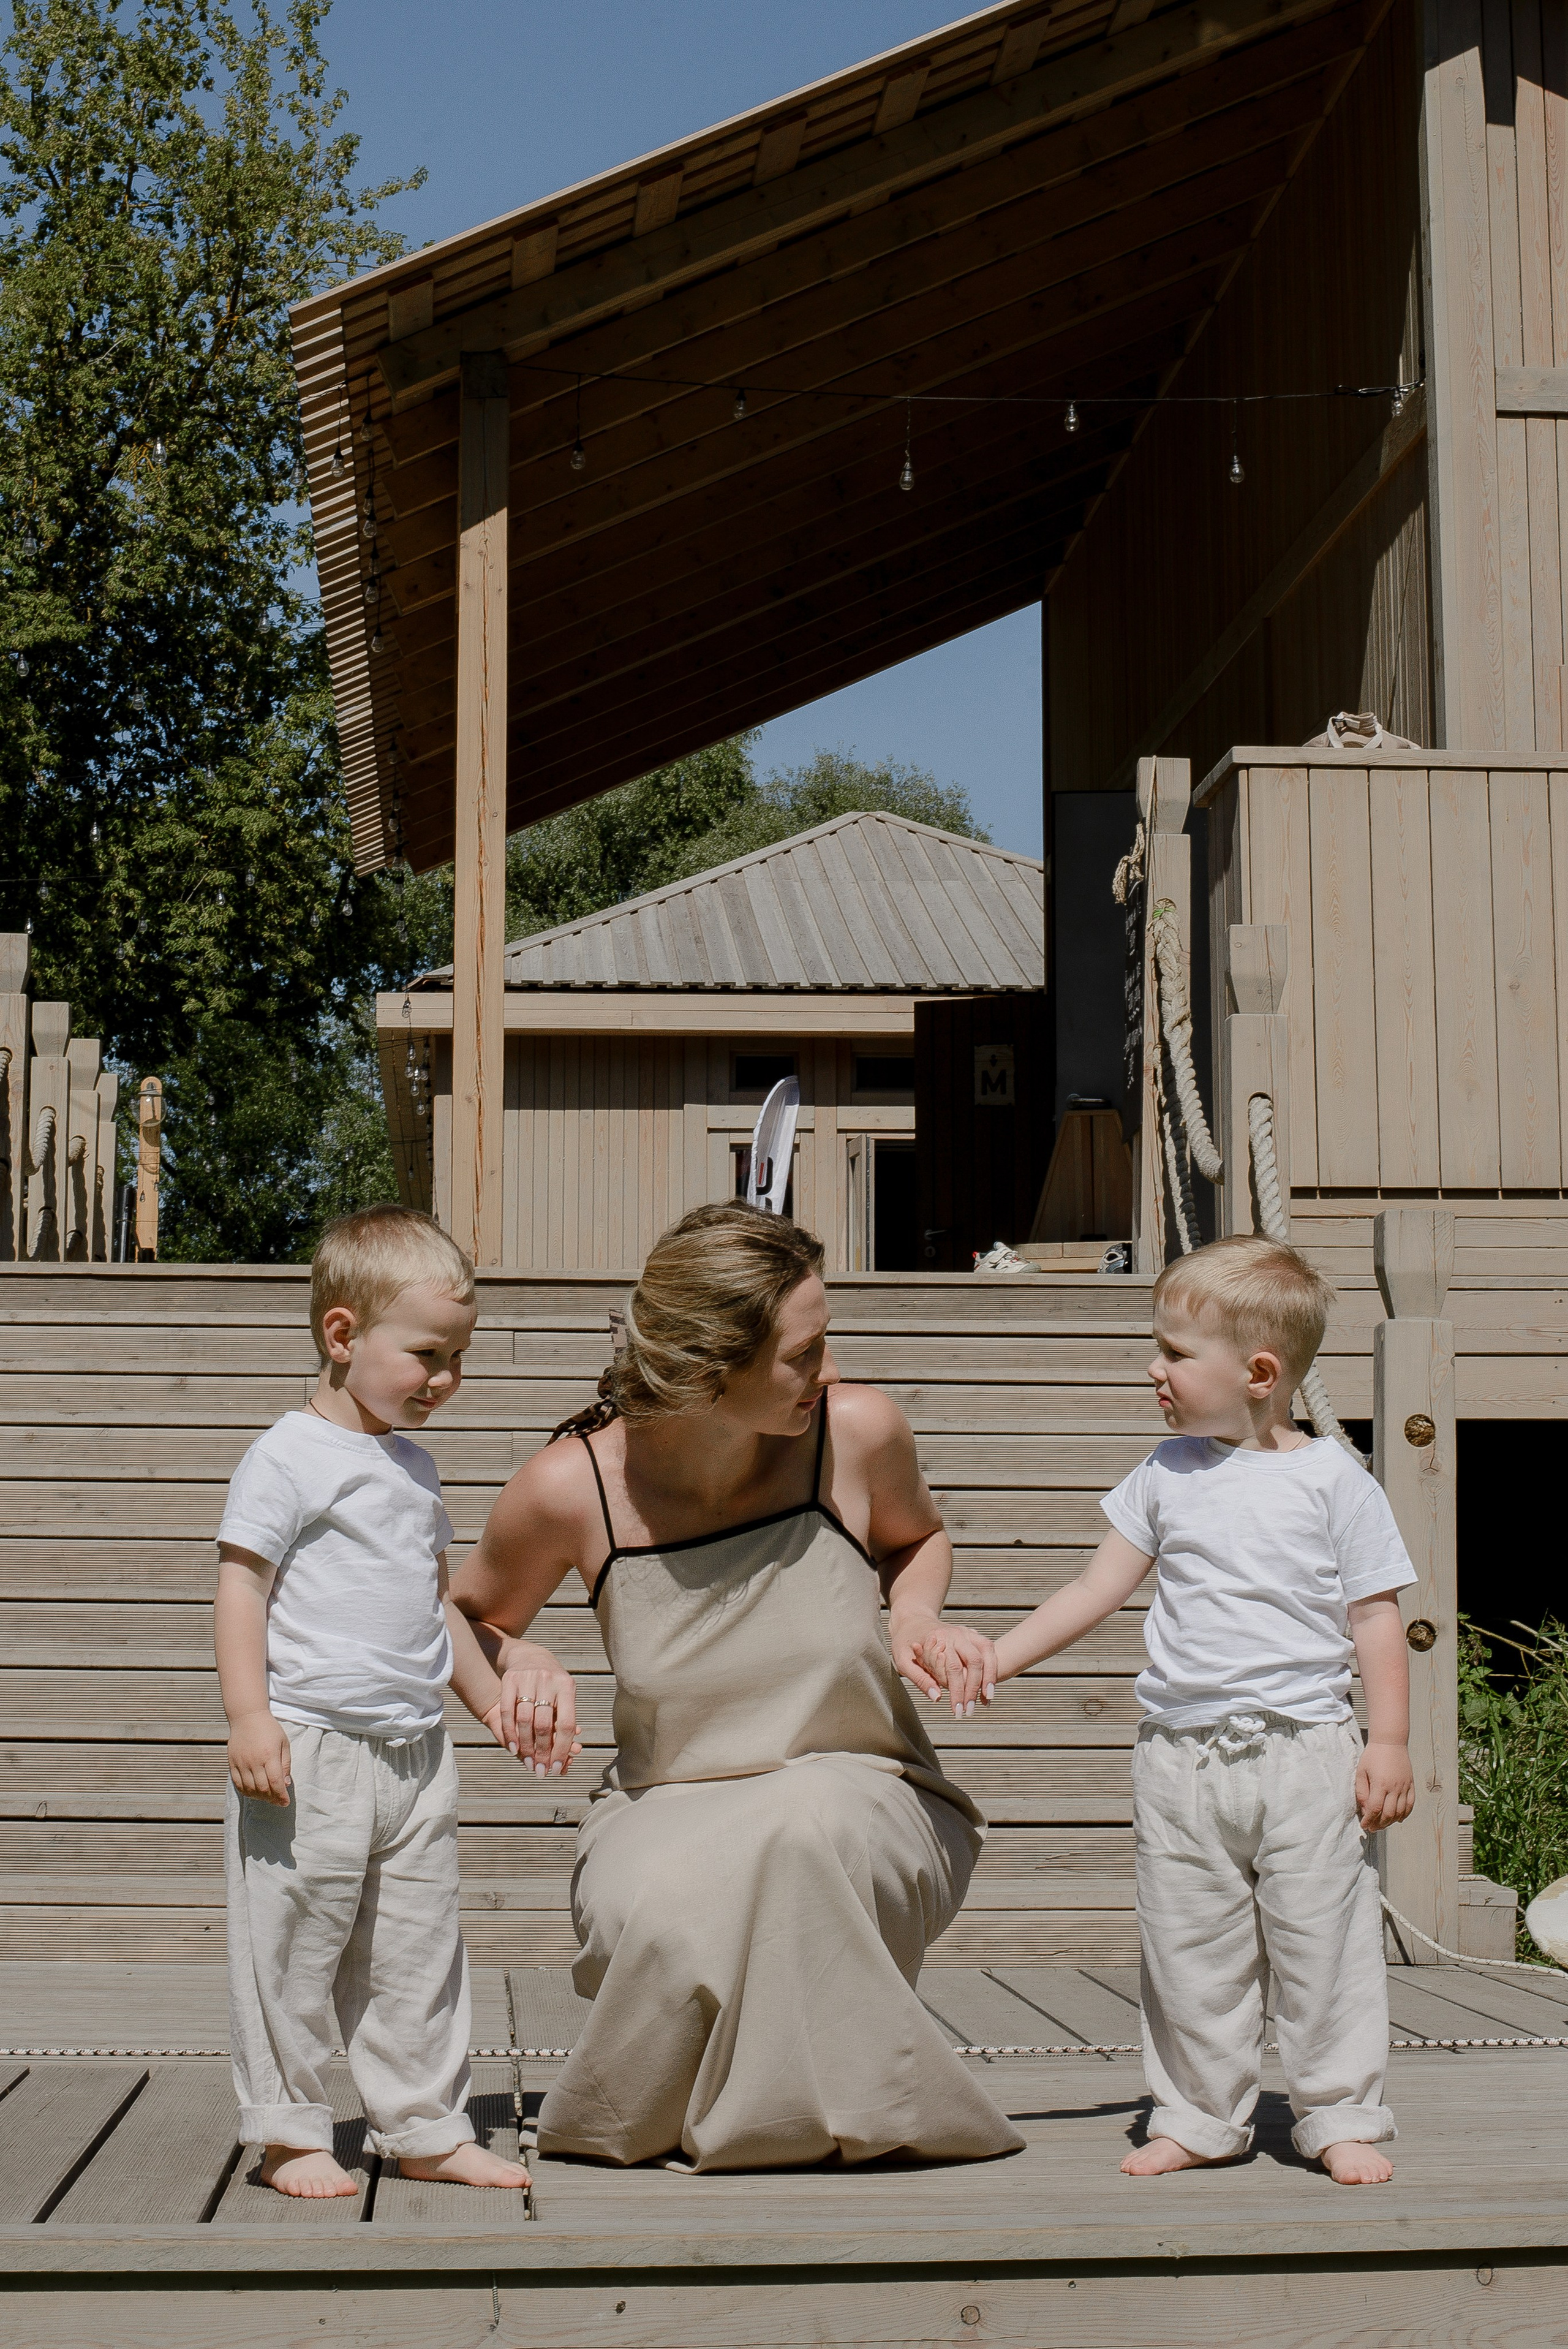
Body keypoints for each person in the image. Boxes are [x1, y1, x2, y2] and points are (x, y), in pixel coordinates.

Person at [450, 1202, 1025, 2172]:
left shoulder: (857, 1433)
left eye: (825, 1340)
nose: (828, 1370)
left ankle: (765, 2121)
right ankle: (782, 2115)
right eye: (804, 1353)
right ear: (708, 1370)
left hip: (863, 1784)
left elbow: (918, 1538)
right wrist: (521, 1664)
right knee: (668, 1899)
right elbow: (465, 1616)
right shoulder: (572, 1486)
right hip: (665, 1801)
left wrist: (915, 1613)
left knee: (802, 1829)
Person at [982, 1235, 1416, 2185]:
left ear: (1259, 1373)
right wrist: (1000, 1656)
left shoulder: (1335, 1478)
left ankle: (1338, 2110)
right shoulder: (1164, 1472)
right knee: (1188, 1944)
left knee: (1323, 1942)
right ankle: (1199, 2113)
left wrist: (1388, 1738)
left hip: (1305, 1752)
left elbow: (1376, 1615)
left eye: (1177, 1352)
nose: (1155, 1367)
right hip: (1181, 1757)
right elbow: (1096, 1587)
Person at [214, 1205, 532, 2198]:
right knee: (291, 1945)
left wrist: (488, 1698)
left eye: (460, 1356)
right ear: (343, 1335)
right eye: (428, 1353)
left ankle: (426, 2123)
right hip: (311, 1750)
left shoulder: (413, 1467)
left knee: (418, 1949)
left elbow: (433, 1604)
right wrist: (249, 1717)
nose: (445, 1377)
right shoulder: (286, 1457)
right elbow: (241, 1585)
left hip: (412, 1754)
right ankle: (288, 2127)